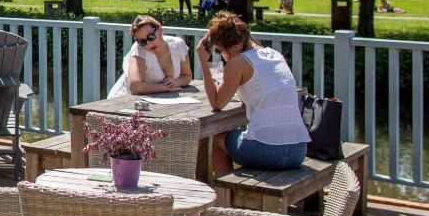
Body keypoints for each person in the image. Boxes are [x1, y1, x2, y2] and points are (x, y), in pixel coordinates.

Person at [197, 11, 309, 173]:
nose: (221, 55)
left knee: (217, 139)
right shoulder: (274, 55)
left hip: (268, 151)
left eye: (220, 50)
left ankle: (224, 195)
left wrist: (202, 61)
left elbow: (216, 103)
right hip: (298, 151)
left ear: (235, 46)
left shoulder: (238, 62)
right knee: (240, 136)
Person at [107, 15, 192, 98]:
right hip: (123, 99)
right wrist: (166, 87)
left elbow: (187, 76)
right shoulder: (139, 49)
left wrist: (177, 82)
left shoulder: (178, 45)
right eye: (142, 41)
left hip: (158, 100)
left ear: (160, 29)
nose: (148, 43)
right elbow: (135, 87)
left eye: (151, 37)